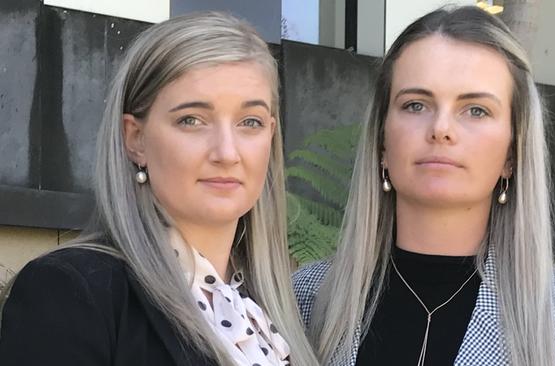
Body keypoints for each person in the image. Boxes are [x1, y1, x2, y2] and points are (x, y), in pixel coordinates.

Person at [294, 6, 555, 366]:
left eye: (476, 110)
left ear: (512, 153)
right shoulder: (307, 298)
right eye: (416, 104)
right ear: (381, 141)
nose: (441, 128)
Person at [0, 12, 318, 366]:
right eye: (192, 120)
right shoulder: (72, 292)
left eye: (250, 122)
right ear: (135, 139)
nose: (227, 153)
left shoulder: (278, 312)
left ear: (271, 136)